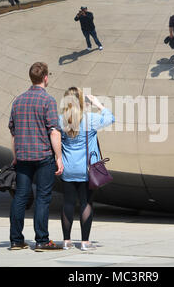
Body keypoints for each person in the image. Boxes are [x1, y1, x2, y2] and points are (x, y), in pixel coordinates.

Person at [8, 62, 64, 251]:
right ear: (46, 78)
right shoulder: (48, 101)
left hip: (23, 157)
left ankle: (16, 240)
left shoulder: (18, 101)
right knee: (43, 197)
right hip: (43, 156)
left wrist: (15, 156)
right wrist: (59, 156)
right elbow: (54, 132)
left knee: (20, 197)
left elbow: (14, 133)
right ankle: (42, 240)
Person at [59, 88, 114, 251]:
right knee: (86, 203)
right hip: (87, 169)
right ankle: (85, 242)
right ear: (82, 102)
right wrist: (98, 104)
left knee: (68, 203)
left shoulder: (61, 120)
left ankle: (66, 241)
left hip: (67, 168)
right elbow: (111, 118)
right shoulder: (90, 119)